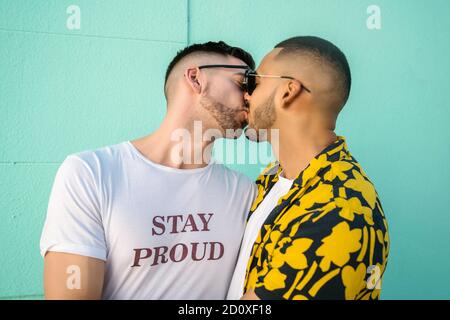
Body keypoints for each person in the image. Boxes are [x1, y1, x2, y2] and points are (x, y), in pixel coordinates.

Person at [40, 41, 258, 299]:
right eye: (243, 82)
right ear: (195, 78)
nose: (250, 96)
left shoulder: (245, 192)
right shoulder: (90, 173)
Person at [227, 36, 389, 300]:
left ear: (288, 92)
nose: (246, 94)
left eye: (255, 82)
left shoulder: (340, 208)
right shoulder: (273, 176)